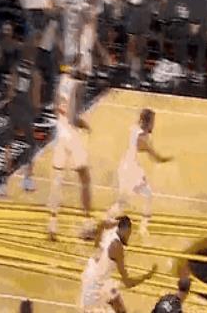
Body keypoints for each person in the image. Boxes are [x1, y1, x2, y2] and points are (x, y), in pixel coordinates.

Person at [107, 109, 172, 238]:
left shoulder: (134, 129)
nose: (153, 124)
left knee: (131, 199)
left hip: (127, 168)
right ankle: (141, 227)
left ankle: (109, 220)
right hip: (131, 171)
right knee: (143, 196)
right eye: (152, 121)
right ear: (148, 122)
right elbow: (155, 157)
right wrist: (167, 159)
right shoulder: (142, 137)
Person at [47, 64, 94, 241]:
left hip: (60, 133)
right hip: (72, 135)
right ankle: (87, 225)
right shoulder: (77, 86)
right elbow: (73, 117)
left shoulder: (62, 80)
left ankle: (52, 225)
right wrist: (85, 125)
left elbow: (55, 107)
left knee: (57, 179)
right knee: (85, 179)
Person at [81, 216, 157, 313]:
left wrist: (116, 222)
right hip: (94, 290)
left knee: (117, 300)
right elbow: (128, 283)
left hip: (93, 276)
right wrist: (147, 276)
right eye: (129, 233)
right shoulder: (117, 247)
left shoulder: (107, 232)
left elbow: (102, 224)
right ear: (125, 230)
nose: (129, 237)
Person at [0, 42, 41, 195]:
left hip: (14, 109)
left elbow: (11, 91)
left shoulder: (16, 68)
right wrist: (37, 111)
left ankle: (4, 183)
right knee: (31, 145)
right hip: (27, 111)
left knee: (8, 145)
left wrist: (9, 103)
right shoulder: (35, 74)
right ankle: (27, 180)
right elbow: (36, 98)